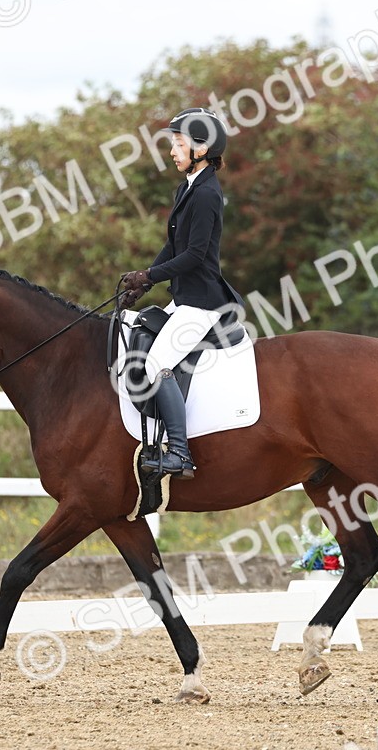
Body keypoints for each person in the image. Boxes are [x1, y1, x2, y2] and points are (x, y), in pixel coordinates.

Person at [120, 107, 245, 478]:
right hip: (184, 297)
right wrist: (146, 280)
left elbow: (194, 255)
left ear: (201, 149)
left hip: (202, 301)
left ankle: (179, 452)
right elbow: (174, 246)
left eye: (178, 144)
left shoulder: (207, 194)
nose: (173, 152)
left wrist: (151, 273)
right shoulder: (187, 188)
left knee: (156, 366)